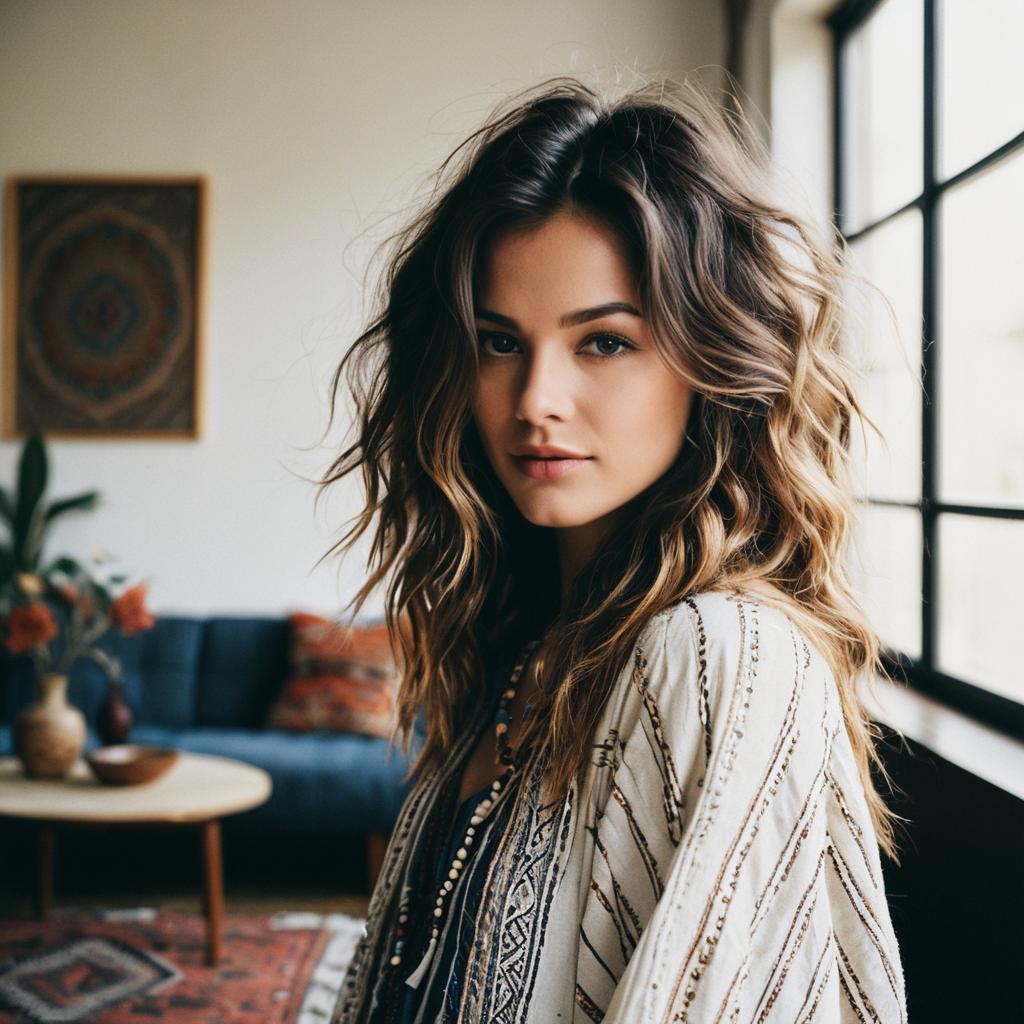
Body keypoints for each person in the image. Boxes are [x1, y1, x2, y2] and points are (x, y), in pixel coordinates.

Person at [321, 74, 908, 1024]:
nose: (535, 400)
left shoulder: (720, 655)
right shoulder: (522, 631)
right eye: (499, 341)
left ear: (711, 357)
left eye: (603, 344)